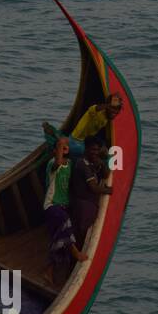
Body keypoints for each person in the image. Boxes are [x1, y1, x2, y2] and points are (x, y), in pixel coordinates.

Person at [43, 137, 89, 286]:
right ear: (55, 151)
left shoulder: (70, 164)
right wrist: (61, 142)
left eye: (66, 147)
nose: (64, 149)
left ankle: (49, 272)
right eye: (60, 148)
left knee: (58, 241)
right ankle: (76, 252)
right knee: (65, 222)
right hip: (52, 206)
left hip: (63, 206)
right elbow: (57, 162)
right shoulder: (52, 164)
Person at [41, 94, 123, 157]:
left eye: (116, 111)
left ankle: (58, 139)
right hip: (76, 142)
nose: (114, 113)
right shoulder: (97, 112)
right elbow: (95, 108)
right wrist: (109, 105)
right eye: (112, 109)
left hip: (83, 142)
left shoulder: (106, 119)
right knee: (101, 153)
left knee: (103, 148)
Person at [69, 135, 113, 249]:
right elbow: (94, 188)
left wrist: (103, 161)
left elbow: (105, 174)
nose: (95, 152)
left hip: (87, 206)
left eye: (97, 150)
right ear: (86, 149)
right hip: (82, 206)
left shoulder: (91, 163)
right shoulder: (83, 165)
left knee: (82, 235)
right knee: (80, 236)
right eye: (93, 149)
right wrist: (109, 191)